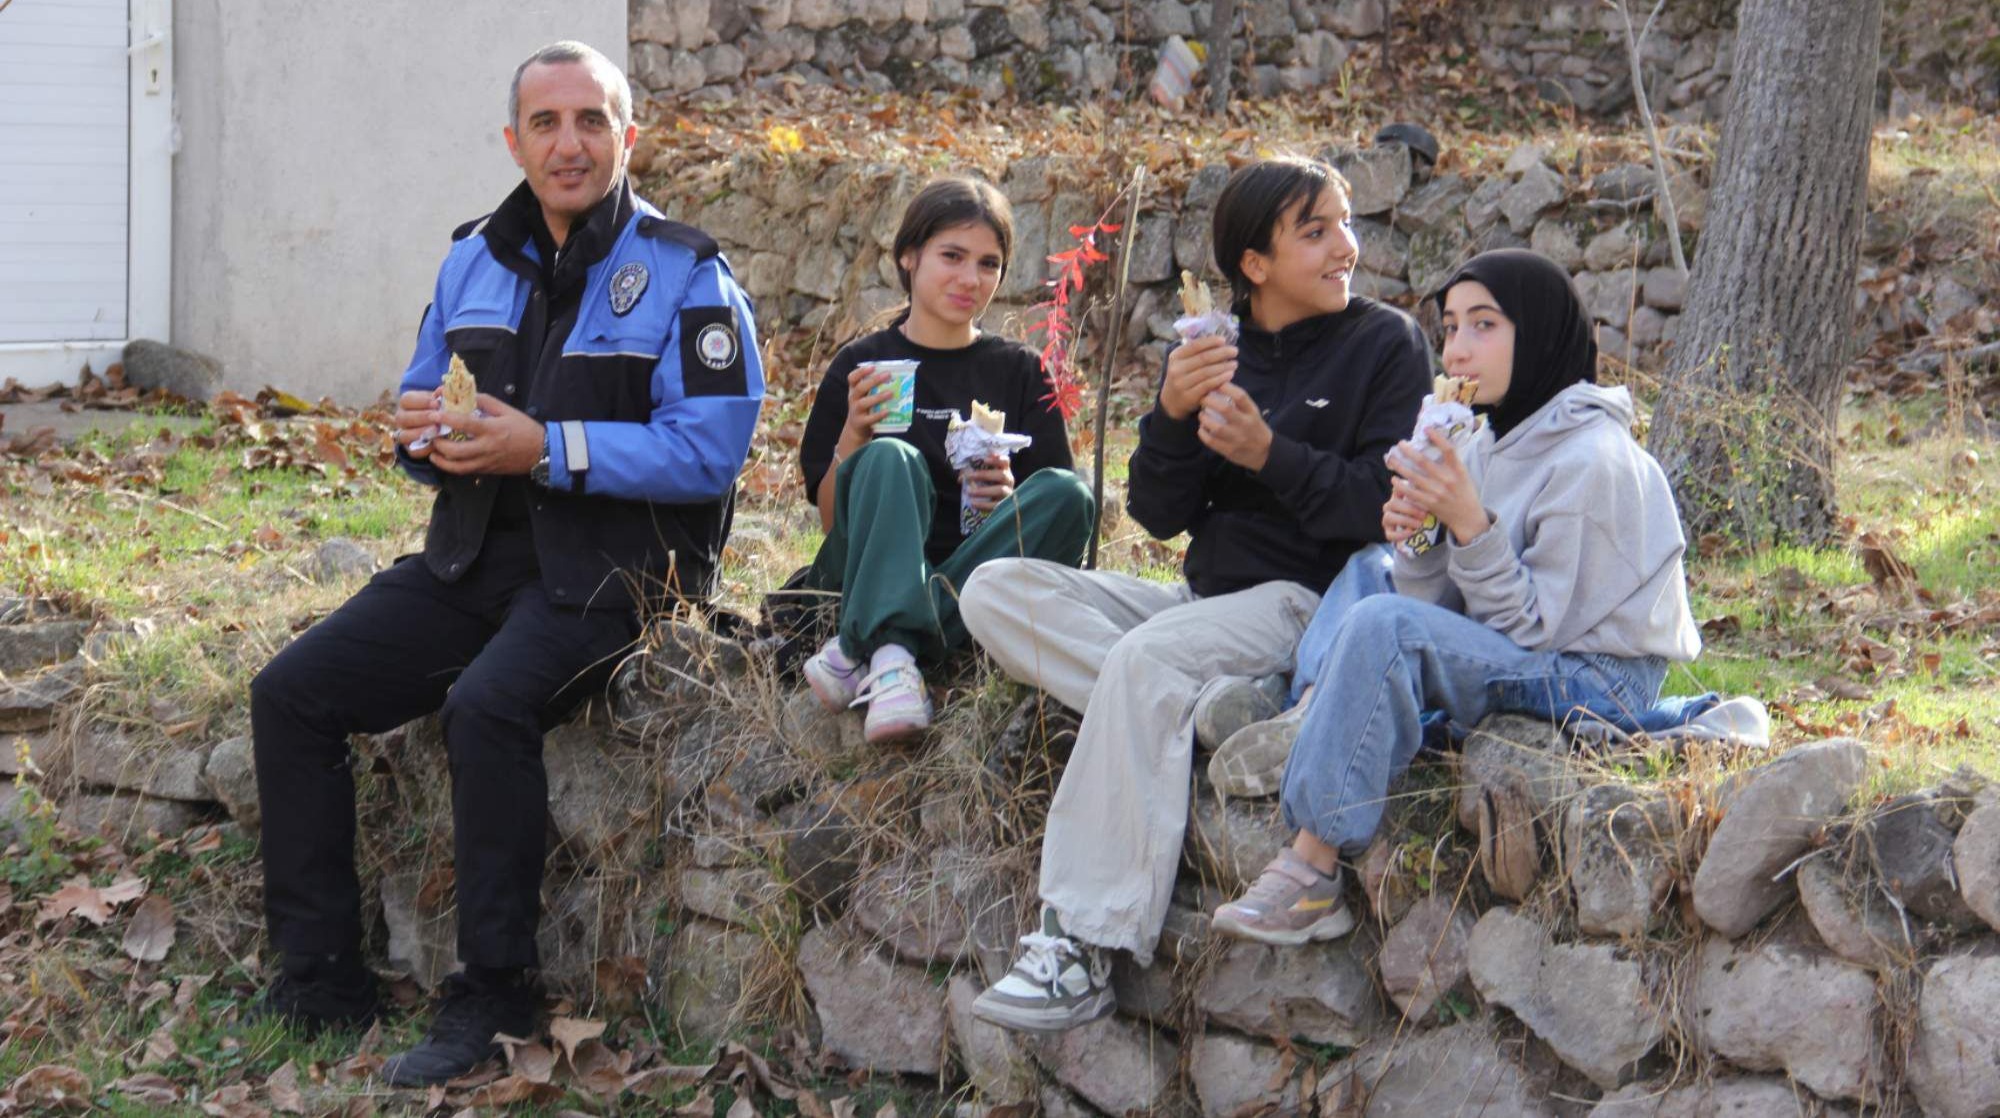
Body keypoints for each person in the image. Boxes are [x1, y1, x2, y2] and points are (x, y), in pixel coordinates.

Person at [245, 42, 764, 1085]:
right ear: (513, 141)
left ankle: (494, 993)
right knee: (291, 692)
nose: (569, 144)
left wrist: (548, 449)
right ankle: (321, 976)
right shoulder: (469, 259)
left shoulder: (688, 272)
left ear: (629, 136)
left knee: (484, 707)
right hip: (472, 558)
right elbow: (419, 403)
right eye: (546, 123)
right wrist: (420, 436)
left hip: (619, 573)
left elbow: (710, 450)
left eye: (591, 121)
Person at [958, 156, 1431, 1032]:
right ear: (1255, 263)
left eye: (1346, 223)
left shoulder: (1386, 344)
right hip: (1200, 603)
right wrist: (1173, 416)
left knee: (1144, 665)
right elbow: (1160, 512)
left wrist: (1271, 456)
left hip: (1307, 603)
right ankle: (1210, 705)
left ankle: (1078, 944)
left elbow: (1386, 510)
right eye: (1317, 231)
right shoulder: (1216, 347)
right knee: (993, 590)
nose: (1347, 247)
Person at [1209, 248, 1701, 945]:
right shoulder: (1485, 437)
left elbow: (1533, 631)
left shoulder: (1596, 461)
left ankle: (1312, 870)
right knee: (1371, 566)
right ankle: (1311, 709)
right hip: (1527, 640)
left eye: (1484, 325)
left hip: (1598, 674)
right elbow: (1432, 595)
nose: (1458, 349)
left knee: (1386, 625)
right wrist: (1418, 536)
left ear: (1538, 332)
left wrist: (1469, 524)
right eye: (1450, 327)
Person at [795, 177, 1095, 743]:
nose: (970, 279)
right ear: (909, 256)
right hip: (858, 574)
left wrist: (1008, 498)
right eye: (952, 256)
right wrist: (854, 435)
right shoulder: (863, 365)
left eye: (988, 264)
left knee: (1069, 493)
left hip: (976, 574)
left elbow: (1051, 528)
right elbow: (833, 526)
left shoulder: (1021, 371)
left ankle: (879, 646)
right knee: (890, 457)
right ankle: (892, 645)